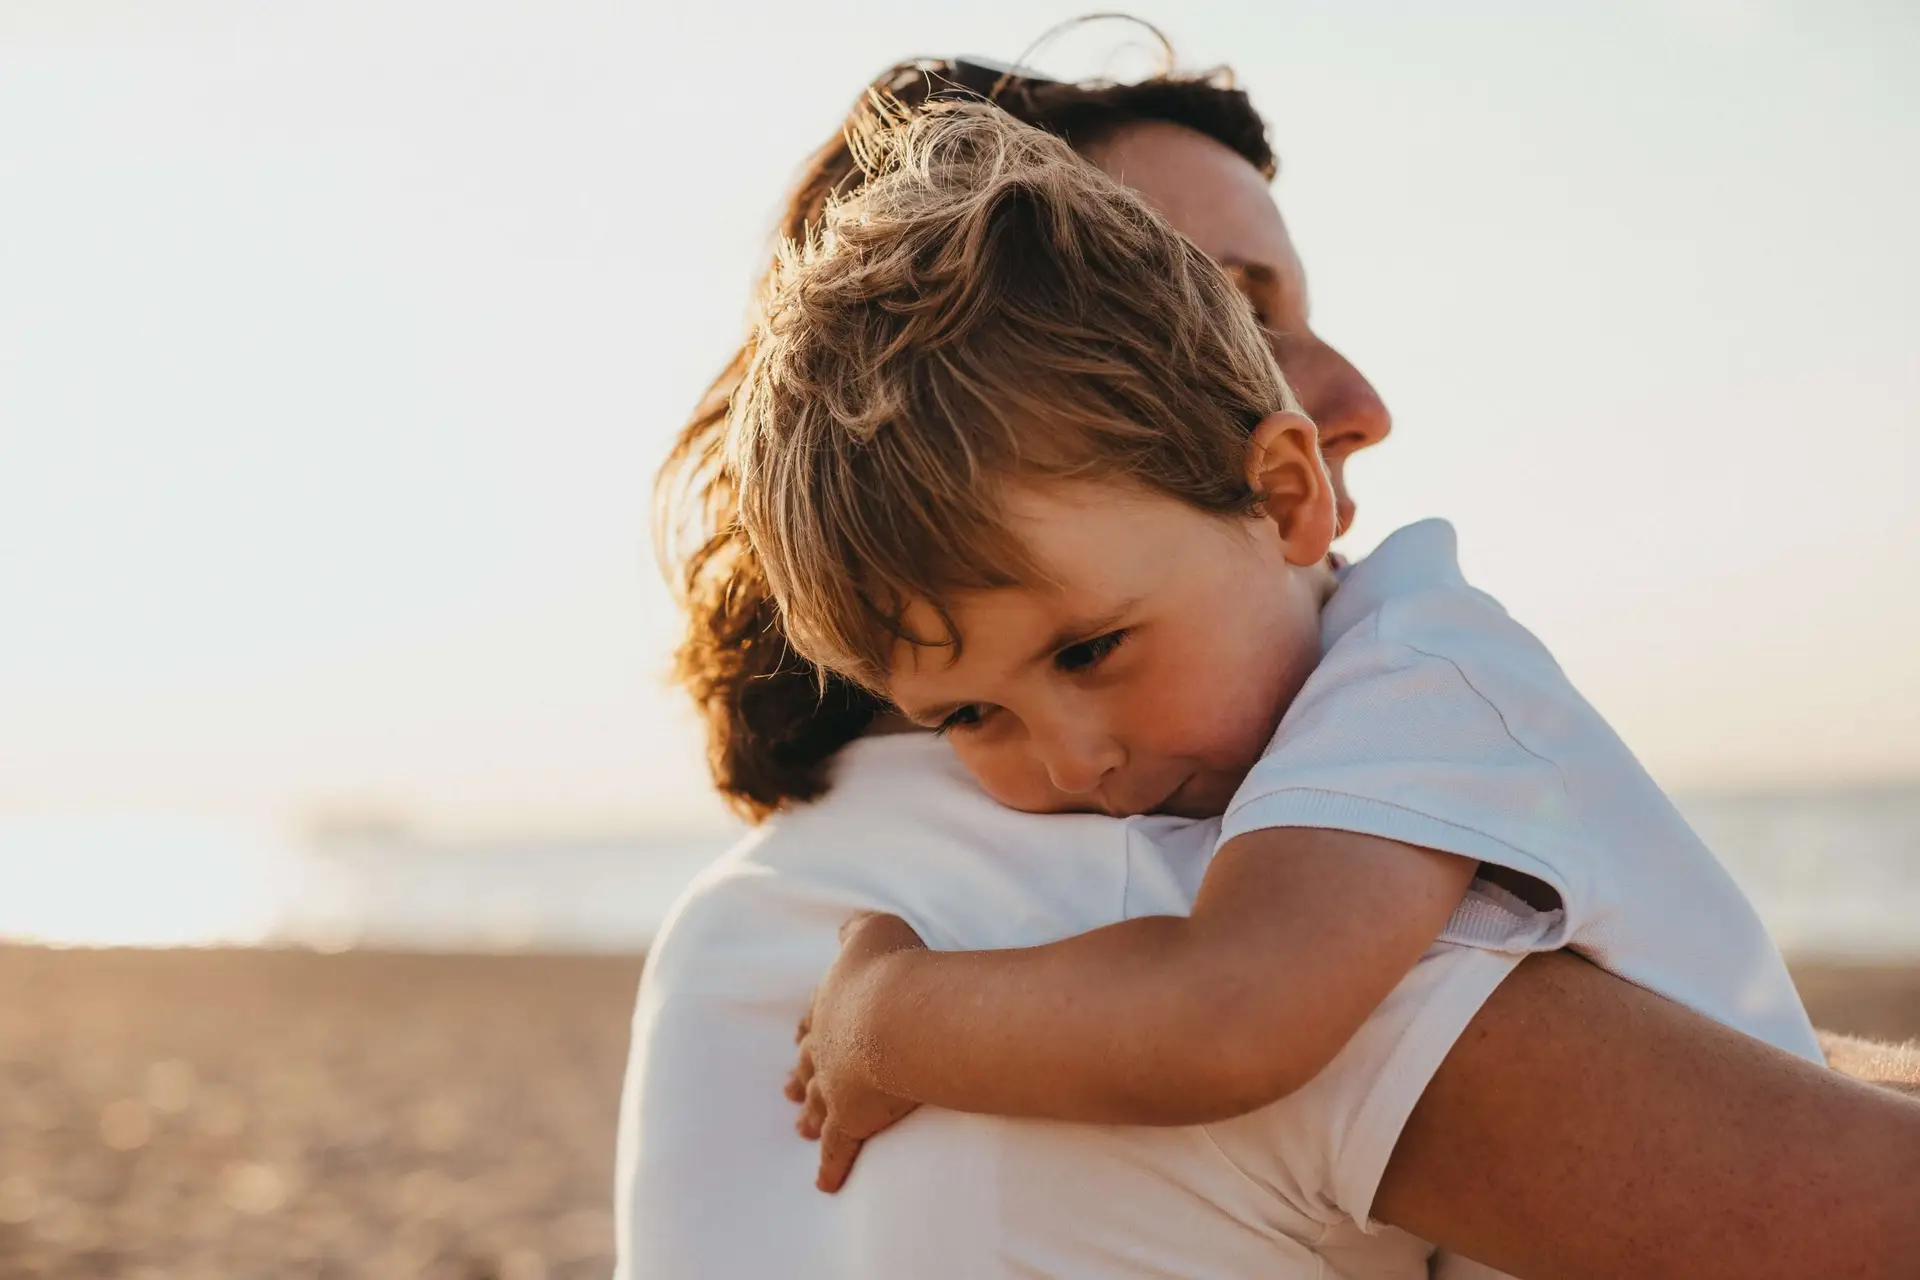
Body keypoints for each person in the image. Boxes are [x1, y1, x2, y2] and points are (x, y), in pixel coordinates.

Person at [617, 56, 1920, 1280]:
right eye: (1223, 303)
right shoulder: (1146, 884)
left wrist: (889, 1014)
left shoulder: (752, 916)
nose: (1359, 396)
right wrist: (887, 1015)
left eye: (1090, 651)